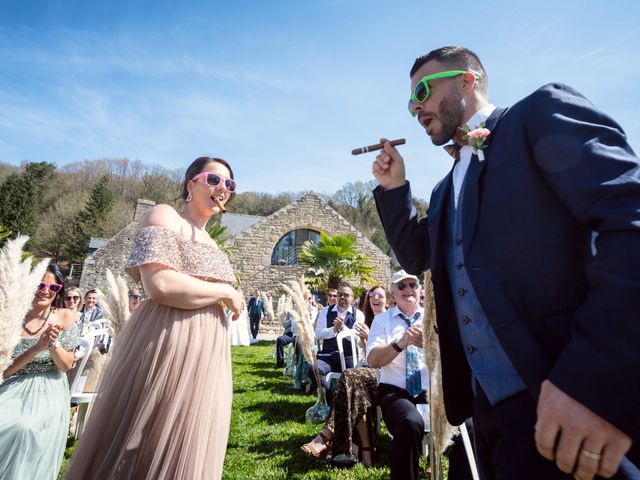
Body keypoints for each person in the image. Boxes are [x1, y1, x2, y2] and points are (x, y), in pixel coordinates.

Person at [371, 46, 639, 479]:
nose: (417, 106)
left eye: (423, 90)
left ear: (467, 80)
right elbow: (418, 255)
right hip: (487, 408)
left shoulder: (538, 116)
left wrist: (592, 381)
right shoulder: (444, 190)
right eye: (410, 102)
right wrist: (394, 188)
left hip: (569, 392)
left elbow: (630, 221)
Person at [66, 156, 245, 480]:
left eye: (229, 184)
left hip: (208, 358)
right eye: (214, 180)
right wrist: (227, 293)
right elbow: (160, 284)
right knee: (141, 441)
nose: (223, 188)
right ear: (191, 183)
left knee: (186, 444)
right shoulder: (166, 215)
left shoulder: (213, 244)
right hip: (167, 341)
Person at [0, 264, 80, 480]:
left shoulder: (64, 316)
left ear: (58, 292)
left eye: (53, 287)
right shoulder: (10, 318)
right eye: (40, 284)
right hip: (14, 383)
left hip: (49, 385)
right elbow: (5, 372)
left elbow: (66, 366)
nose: (46, 290)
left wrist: (52, 344)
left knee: (24, 427)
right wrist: (37, 347)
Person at [301, 285, 389, 468]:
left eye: (380, 296)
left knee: (349, 378)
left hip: (386, 373)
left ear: (388, 299)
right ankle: (366, 447)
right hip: (364, 369)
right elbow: (364, 353)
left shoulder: (391, 318)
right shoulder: (367, 318)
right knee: (353, 387)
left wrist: (366, 338)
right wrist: (361, 340)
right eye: (372, 295)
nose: (375, 298)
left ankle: (328, 435)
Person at [366, 271, 427, 480]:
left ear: (420, 290)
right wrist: (401, 342)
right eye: (402, 286)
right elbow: (372, 360)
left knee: (468, 424)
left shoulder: (433, 318)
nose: (408, 289)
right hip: (396, 391)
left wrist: (429, 343)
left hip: (431, 390)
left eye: (413, 284)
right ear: (393, 293)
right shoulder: (382, 321)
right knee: (411, 422)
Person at [309, 282, 365, 400]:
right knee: (314, 370)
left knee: (355, 376)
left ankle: (347, 405)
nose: (342, 297)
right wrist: (334, 329)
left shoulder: (358, 314)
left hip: (349, 355)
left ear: (352, 297)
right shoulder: (326, 311)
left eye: (346, 295)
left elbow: (356, 338)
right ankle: (332, 402)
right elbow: (318, 334)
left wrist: (343, 328)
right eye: (340, 294)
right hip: (328, 354)